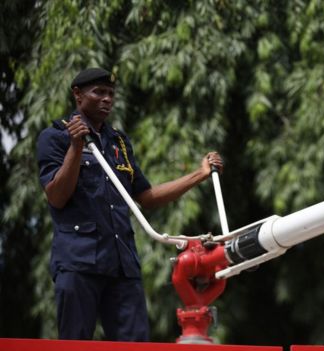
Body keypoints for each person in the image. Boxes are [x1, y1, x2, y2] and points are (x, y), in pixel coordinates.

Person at [36, 67, 223, 341]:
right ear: (77, 95)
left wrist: (200, 174)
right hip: (78, 262)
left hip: (122, 264)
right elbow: (56, 196)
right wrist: (76, 148)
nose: (107, 99)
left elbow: (146, 197)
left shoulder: (118, 143)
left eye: (111, 94)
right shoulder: (55, 137)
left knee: (134, 344)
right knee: (75, 342)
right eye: (98, 92)